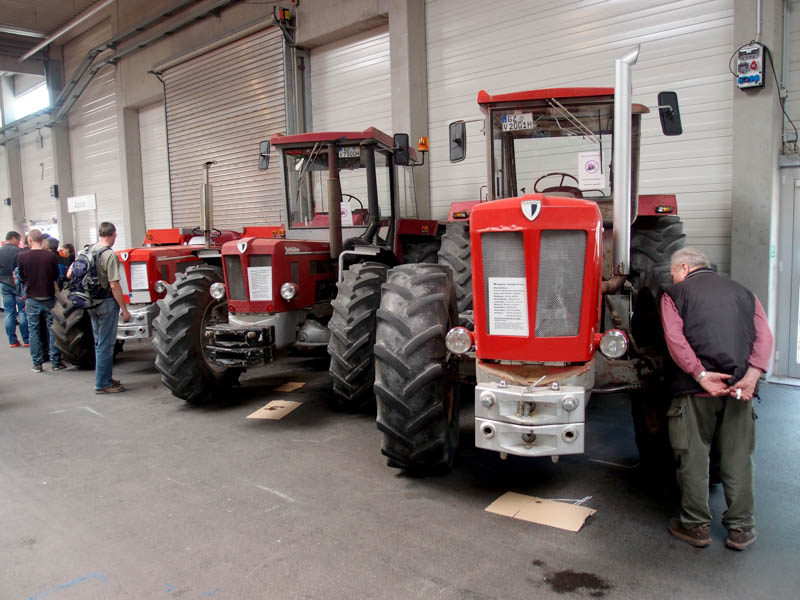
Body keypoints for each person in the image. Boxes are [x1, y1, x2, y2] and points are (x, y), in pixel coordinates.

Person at [660, 247, 774, 551]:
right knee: (739, 458)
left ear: (684, 268)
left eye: (673, 273)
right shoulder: (745, 293)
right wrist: (753, 375)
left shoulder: (674, 294)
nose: (672, 278)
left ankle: (695, 526)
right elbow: (765, 337)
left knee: (693, 456)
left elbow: (675, 340)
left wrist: (700, 375)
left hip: (695, 391)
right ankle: (741, 529)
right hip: (740, 388)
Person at [72, 222, 130, 393]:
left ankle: (105, 378)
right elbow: (114, 285)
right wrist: (124, 309)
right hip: (106, 303)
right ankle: (103, 384)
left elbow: (69, 274)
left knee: (99, 343)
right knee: (106, 345)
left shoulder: (86, 251)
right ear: (113, 234)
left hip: (90, 302)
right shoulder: (109, 254)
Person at [17, 229, 64, 372]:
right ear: (42, 240)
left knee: (34, 331)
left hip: (32, 298)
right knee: (52, 329)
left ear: (30, 240)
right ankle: (56, 362)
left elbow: (21, 276)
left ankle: (37, 364)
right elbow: (56, 275)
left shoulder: (22, 256)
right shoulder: (50, 256)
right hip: (49, 297)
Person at [0, 231, 29, 348]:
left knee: (8, 312)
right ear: (13, 238)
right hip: (18, 284)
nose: (19, 242)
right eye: (18, 240)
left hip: (4, 283)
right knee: (22, 311)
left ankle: (12, 341)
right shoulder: (19, 251)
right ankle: (26, 339)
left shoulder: (0, 251)